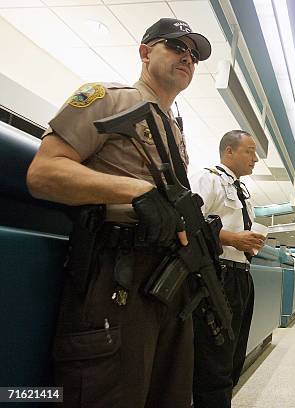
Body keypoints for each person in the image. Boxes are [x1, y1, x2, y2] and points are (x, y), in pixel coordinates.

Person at [26, 18, 211, 407]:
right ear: (145, 52)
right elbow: (44, 173)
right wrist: (133, 190)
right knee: (109, 393)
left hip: (168, 279)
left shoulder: (173, 128)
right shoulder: (108, 98)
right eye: (176, 46)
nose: (188, 58)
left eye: (194, 55)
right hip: (118, 273)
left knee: (169, 395)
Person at [189, 130, 265, 408]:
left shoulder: (242, 190)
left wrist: (249, 243)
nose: (255, 159)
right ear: (229, 151)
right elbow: (188, 222)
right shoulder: (207, 179)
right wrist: (233, 239)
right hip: (216, 276)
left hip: (241, 275)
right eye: (250, 151)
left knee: (233, 357)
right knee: (214, 359)